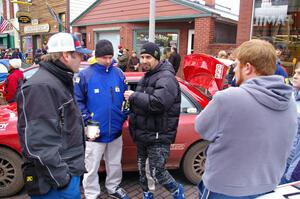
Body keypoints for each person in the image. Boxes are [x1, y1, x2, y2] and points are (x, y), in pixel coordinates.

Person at [194, 39, 297, 198]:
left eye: (236, 65)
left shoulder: (227, 98)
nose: (234, 71)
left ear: (248, 67)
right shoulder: (290, 101)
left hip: (225, 188)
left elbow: (201, 128)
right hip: (267, 187)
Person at [16, 32, 91, 198]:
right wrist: (62, 179)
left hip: (66, 174)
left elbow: (60, 125)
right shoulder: (41, 86)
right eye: (78, 55)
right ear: (66, 55)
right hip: (55, 184)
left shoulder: (58, 80)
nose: (82, 59)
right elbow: (39, 143)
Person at [124, 42, 184, 199]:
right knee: (143, 170)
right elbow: (142, 104)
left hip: (158, 135)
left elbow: (159, 103)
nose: (144, 61)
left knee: (157, 171)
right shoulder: (147, 76)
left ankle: (177, 190)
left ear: (157, 58)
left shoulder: (166, 77)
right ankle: (147, 194)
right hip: (143, 134)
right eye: (142, 57)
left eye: (148, 57)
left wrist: (134, 96)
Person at [74, 39, 129, 199]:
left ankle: (113, 187)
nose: (107, 61)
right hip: (93, 128)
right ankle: (91, 194)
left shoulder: (118, 73)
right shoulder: (85, 75)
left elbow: (126, 97)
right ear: (96, 56)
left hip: (116, 129)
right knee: (91, 165)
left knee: (114, 163)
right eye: (104, 57)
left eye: (110, 57)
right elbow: (77, 101)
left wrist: (123, 116)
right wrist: (87, 121)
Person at [281, 61, 300, 184]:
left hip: (292, 168)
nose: (295, 75)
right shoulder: (290, 96)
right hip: (281, 159)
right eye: (296, 72)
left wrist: (291, 175)